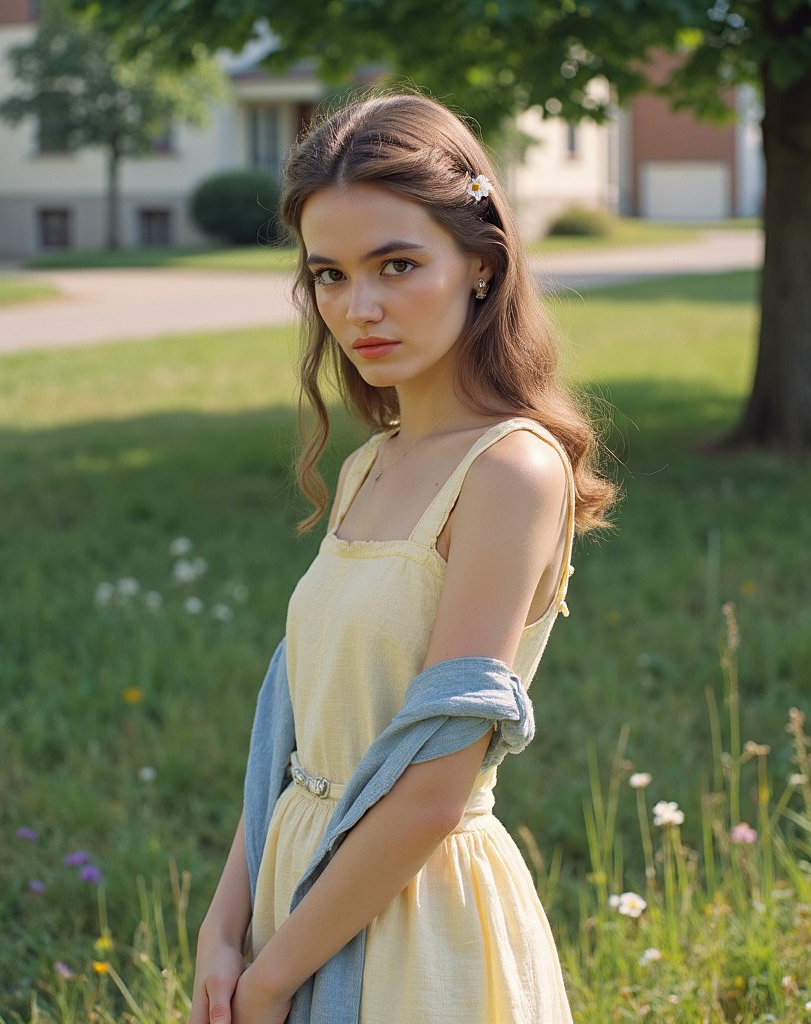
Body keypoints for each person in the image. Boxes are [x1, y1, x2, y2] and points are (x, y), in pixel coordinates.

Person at [189, 92, 615, 1024]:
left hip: (415, 921)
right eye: (329, 275)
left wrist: (272, 980)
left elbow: (432, 794)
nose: (360, 308)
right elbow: (297, 736)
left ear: (481, 264)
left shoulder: (508, 473)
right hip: (300, 892)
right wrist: (223, 930)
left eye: (398, 264)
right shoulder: (369, 466)